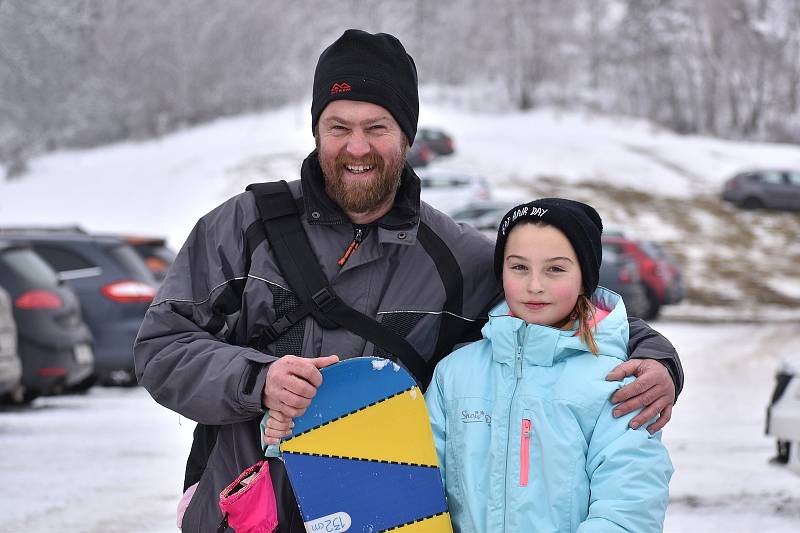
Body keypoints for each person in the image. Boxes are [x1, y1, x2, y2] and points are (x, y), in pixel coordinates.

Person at [134, 29, 683, 533]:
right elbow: (162, 347)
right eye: (338, 127)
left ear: (406, 136)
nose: (356, 148)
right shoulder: (244, 226)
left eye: (377, 128)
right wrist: (258, 379)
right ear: (316, 130)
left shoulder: (456, 257)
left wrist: (658, 361)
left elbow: (560, 306)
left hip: (381, 520)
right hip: (244, 513)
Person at [425, 198, 673, 532]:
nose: (535, 285)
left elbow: (629, 506)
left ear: (584, 278)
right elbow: (424, 495)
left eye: (555, 269)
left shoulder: (616, 382)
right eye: (519, 267)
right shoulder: (453, 375)